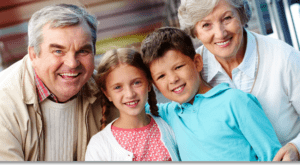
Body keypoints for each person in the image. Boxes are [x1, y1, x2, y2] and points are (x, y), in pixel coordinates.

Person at [177, 0, 300, 161]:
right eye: (206, 25)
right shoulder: (192, 70)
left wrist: (296, 148)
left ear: (241, 15)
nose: (220, 33)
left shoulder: (284, 58)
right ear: (195, 32)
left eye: (227, 18)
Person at [140, 27, 281, 161]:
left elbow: (273, 156)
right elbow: (130, 102)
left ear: (197, 63)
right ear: (153, 85)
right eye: (161, 76)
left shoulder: (235, 102)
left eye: (178, 67)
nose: (173, 79)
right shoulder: (168, 114)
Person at [0, 4, 118, 161]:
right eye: (58, 51)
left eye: (83, 51)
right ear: (34, 54)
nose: (72, 63)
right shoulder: (4, 100)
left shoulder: (109, 92)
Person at [85, 48, 180, 161]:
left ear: (149, 84)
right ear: (107, 93)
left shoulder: (169, 126)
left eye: (136, 83)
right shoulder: (99, 145)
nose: (130, 94)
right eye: (118, 87)